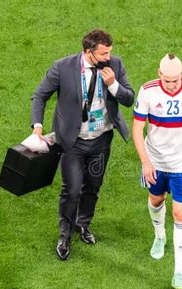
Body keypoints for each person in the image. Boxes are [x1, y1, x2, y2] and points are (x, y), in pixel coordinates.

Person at [31, 29, 135, 260]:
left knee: (92, 187)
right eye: (103, 53)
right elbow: (40, 96)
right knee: (72, 190)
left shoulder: (115, 66)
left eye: (110, 52)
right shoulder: (62, 67)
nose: (108, 57)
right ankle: (65, 235)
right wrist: (37, 126)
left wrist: (113, 85)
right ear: (88, 52)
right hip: (72, 143)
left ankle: (83, 224)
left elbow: (129, 98)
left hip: (101, 140)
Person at [132, 54, 182, 289]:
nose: (172, 85)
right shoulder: (147, 91)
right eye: (167, 81)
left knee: (180, 213)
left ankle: (179, 272)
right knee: (156, 200)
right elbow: (138, 129)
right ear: (159, 75)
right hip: (155, 161)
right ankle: (159, 235)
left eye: (176, 80)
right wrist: (145, 162)